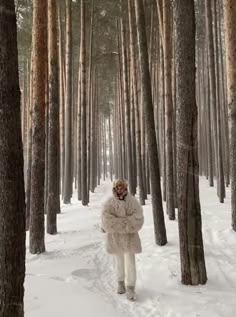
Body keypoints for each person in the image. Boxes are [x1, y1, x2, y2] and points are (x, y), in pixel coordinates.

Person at [101, 179, 144, 301]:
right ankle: (120, 282)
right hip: (115, 238)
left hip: (130, 238)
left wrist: (122, 224)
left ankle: (131, 287)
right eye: (118, 187)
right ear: (115, 188)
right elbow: (105, 220)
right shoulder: (109, 202)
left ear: (125, 188)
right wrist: (124, 223)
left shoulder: (133, 201)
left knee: (130, 263)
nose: (120, 189)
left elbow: (138, 218)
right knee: (119, 262)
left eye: (122, 187)